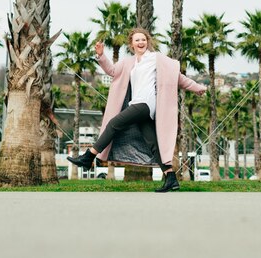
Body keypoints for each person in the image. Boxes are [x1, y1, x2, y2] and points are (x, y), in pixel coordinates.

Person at [67, 28, 206, 192]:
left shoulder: (156, 59)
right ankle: (171, 178)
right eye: (137, 40)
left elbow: (177, 77)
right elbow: (112, 71)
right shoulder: (128, 62)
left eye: (143, 40)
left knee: (113, 124)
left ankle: (89, 156)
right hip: (136, 104)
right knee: (153, 143)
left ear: (148, 42)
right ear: (131, 44)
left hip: (146, 104)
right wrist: (101, 56)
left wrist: (197, 88)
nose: (141, 42)